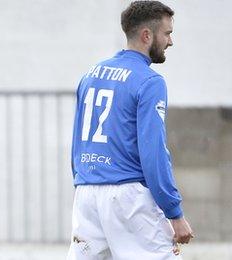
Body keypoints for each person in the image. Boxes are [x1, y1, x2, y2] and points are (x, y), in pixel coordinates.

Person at [68, 1, 194, 259]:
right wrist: (175, 213)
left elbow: (77, 141)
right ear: (147, 35)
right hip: (128, 198)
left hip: (86, 192)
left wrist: (82, 181)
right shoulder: (150, 82)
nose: (171, 41)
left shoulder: (91, 74)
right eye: (167, 33)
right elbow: (154, 153)